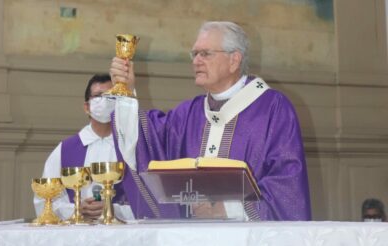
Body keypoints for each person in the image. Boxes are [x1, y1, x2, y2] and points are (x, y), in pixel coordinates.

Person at [110, 21, 312, 221]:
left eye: (205, 54)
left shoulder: (273, 109)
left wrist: (228, 210)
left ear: (234, 60)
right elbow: (144, 141)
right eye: (194, 54)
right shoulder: (189, 113)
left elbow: (287, 186)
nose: (196, 61)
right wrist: (125, 92)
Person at [33, 74, 134, 221]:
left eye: (110, 97)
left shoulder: (130, 148)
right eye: (98, 96)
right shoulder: (65, 150)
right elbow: (44, 201)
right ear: (87, 107)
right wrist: (76, 210)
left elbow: (146, 203)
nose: (105, 101)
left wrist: (115, 210)